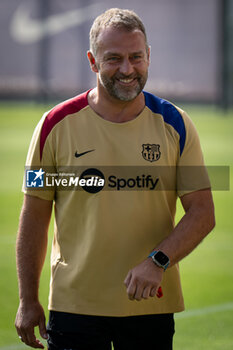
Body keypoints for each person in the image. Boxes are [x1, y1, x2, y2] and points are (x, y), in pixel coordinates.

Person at [15, 8, 215, 350]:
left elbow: (202, 212)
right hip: (73, 307)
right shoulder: (53, 125)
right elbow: (34, 214)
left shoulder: (176, 124)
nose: (127, 69)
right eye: (114, 59)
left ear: (149, 57)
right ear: (93, 61)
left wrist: (158, 261)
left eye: (136, 57)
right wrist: (27, 299)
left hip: (150, 305)